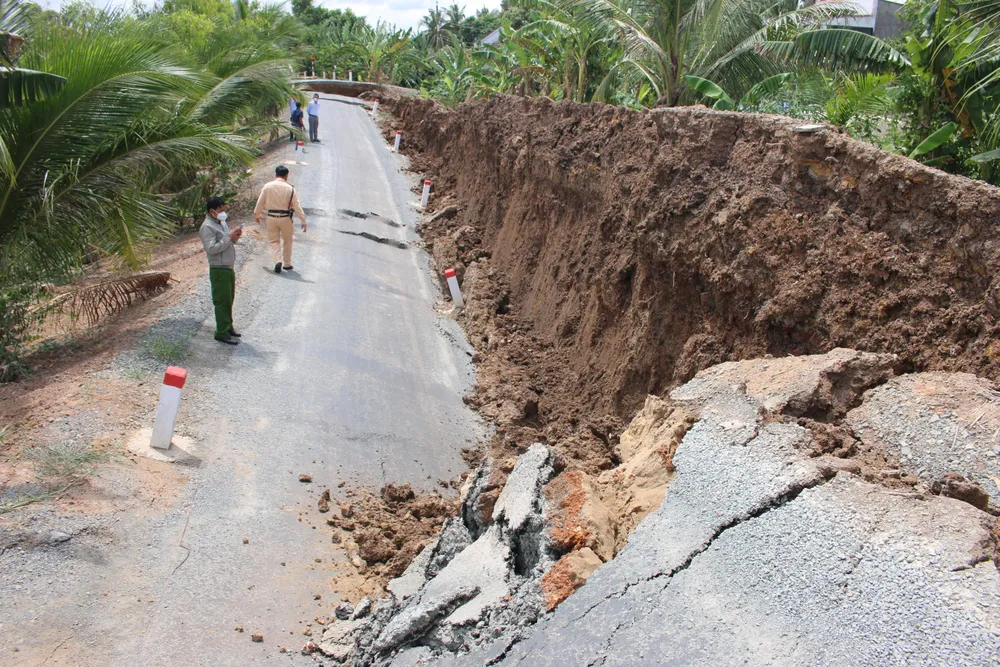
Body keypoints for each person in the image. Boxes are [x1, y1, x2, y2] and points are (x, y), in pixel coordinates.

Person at [199, 196, 242, 345]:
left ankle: (228, 326)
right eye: (220, 210)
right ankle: (221, 332)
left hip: (227, 267)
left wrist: (233, 238)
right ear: (212, 211)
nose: (223, 213)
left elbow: (226, 241)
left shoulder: (221, 223)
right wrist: (228, 238)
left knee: (229, 299)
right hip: (219, 269)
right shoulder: (207, 227)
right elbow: (211, 249)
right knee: (222, 301)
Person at [254, 165, 307, 273]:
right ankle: (287, 264)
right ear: (286, 176)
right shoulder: (291, 189)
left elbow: (260, 202)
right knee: (288, 241)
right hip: (286, 218)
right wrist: (303, 220)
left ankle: (277, 260)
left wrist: (257, 214)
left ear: (275, 174)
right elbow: (296, 205)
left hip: (271, 217)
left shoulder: (267, 186)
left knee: (274, 241)